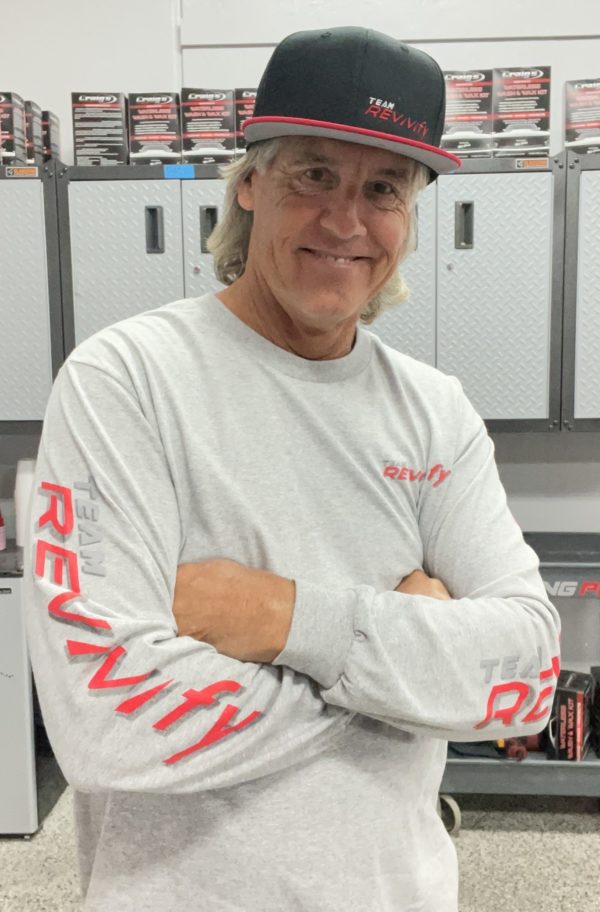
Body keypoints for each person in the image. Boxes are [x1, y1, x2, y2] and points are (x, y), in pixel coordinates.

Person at [25, 26, 560, 912]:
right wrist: (415, 673)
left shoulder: (436, 411)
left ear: (411, 216)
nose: (348, 220)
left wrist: (286, 619)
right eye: (314, 173)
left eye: (383, 187)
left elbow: (529, 680)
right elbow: (109, 724)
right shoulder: (127, 380)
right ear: (249, 185)